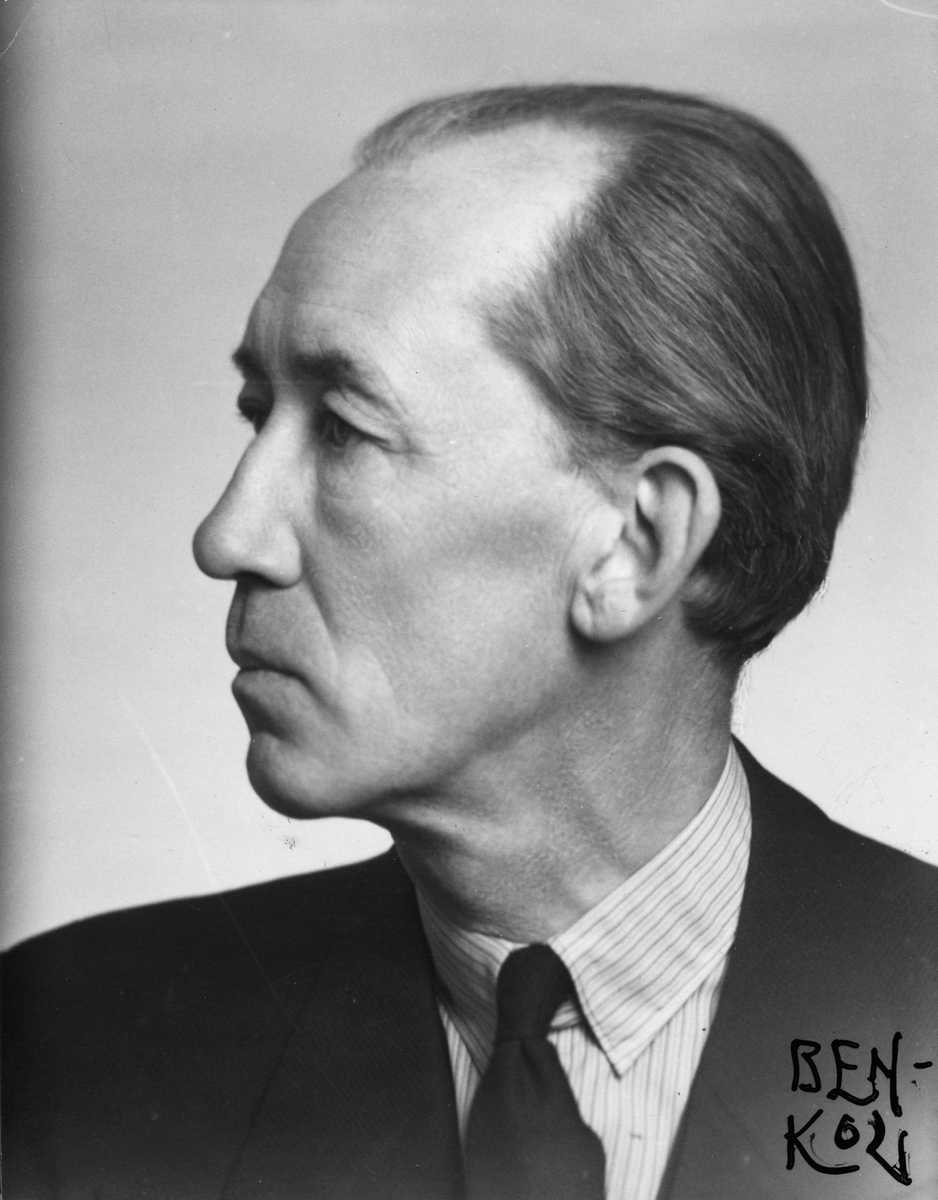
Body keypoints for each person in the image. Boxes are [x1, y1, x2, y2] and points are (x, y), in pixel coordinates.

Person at [3, 85, 936, 1200]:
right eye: (260, 414)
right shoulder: (64, 1053)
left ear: (636, 543)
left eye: (344, 430)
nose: (227, 535)